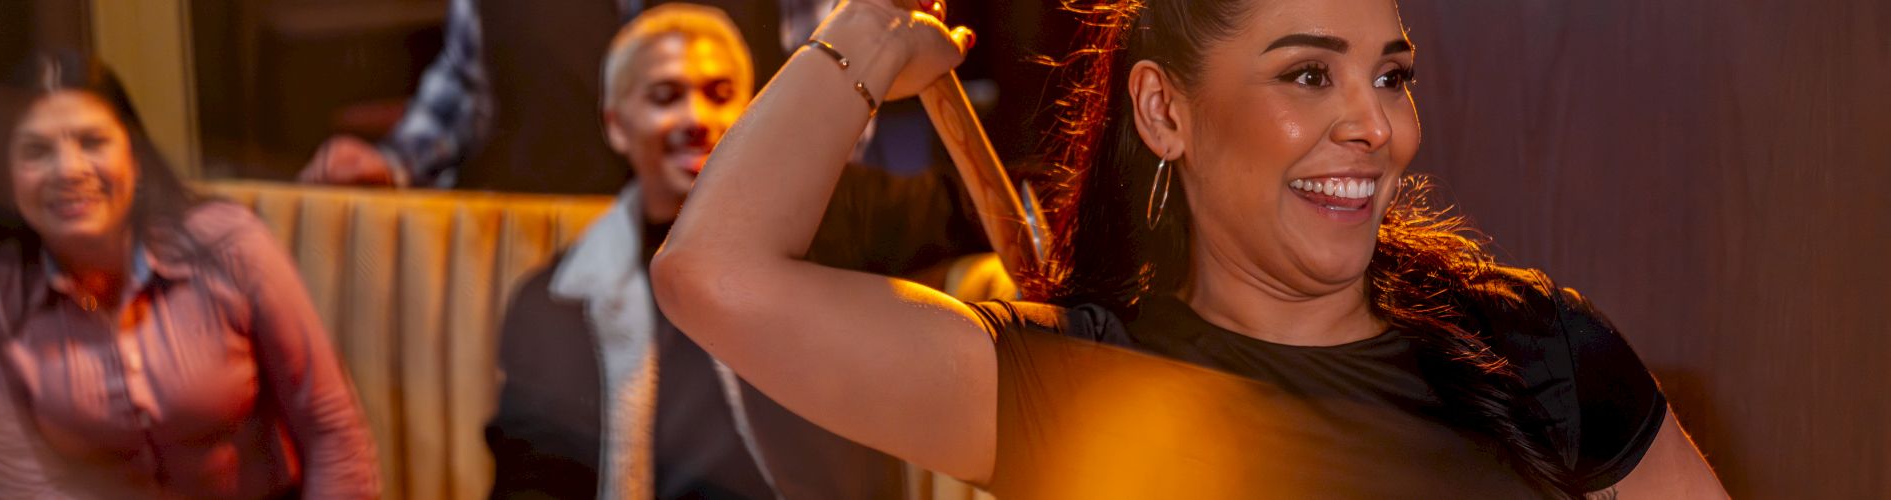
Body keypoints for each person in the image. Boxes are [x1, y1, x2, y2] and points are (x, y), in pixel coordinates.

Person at [650, 0, 1732, 498]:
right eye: (1307, 74)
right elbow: (715, 276)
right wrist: (864, 38)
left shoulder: (1534, 341)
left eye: (1389, 74)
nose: (1376, 124)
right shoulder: (1070, 383)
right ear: (1164, 113)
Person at [482, 4, 980, 498]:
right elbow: (533, 474)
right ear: (616, 125)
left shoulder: (838, 215)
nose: (696, 119)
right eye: (665, 96)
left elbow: (985, 206)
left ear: (753, 116)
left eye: (719, 95)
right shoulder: (557, 299)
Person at [0, 53, 379, 498]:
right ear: (6, 176)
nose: (69, 170)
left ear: (135, 157)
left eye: (92, 142)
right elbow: (20, 484)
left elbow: (331, 431)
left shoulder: (229, 245)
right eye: (36, 151)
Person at [293, 0, 846, 193]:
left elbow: (831, 104)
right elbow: (464, 92)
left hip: (729, 283)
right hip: (551, 270)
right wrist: (392, 164)